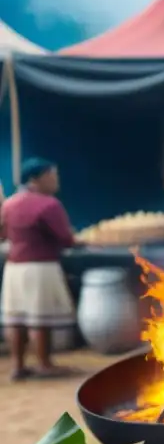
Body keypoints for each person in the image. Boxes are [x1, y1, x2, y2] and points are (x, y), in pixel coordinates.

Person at [0, 158, 78, 381]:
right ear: (36, 179)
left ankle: (18, 366)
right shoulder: (49, 205)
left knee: (16, 318)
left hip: (14, 268)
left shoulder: (9, 204)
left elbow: (2, 234)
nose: (56, 181)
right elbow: (65, 238)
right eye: (52, 176)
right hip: (40, 266)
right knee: (39, 318)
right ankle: (44, 364)